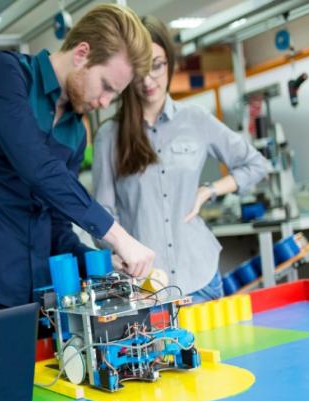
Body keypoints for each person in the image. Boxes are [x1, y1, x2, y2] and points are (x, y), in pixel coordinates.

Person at [0, 4, 156, 320]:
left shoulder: (75, 132)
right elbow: (36, 166)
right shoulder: (8, 75)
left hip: (40, 294)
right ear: (82, 54)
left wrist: (100, 261)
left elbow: (57, 227)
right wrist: (119, 236)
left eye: (114, 95)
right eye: (106, 87)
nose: (104, 102)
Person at [92, 16, 268, 303]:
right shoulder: (109, 135)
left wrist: (209, 191)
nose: (148, 79)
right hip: (145, 288)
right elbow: (102, 215)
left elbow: (256, 164)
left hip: (200, 277)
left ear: (169, 63)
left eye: (157, 65)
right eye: (139, 69)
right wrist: (119, 253)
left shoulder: (196, 119)